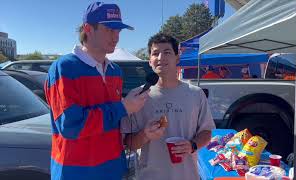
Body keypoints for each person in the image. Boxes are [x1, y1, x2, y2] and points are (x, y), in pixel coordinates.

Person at [44, 2, 148, 180]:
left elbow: (114, 124)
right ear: (88, 29)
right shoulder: (64, 68)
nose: (116, 36)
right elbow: (70, 127)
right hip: (75, 173)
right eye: (109, 29)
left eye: (118, 31)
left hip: (113, 169)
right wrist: (123, 108)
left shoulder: (115, 71)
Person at [121, 33, 216, 180]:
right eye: (155, 53)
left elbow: (206, 133)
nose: (160, 58)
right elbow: (129, 144)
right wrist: (145, 134)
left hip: (187, 175)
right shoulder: (137, 96)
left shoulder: (195, 94)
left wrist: (192, 145)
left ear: (177, 57)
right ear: (150, 61)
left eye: (167, 52)